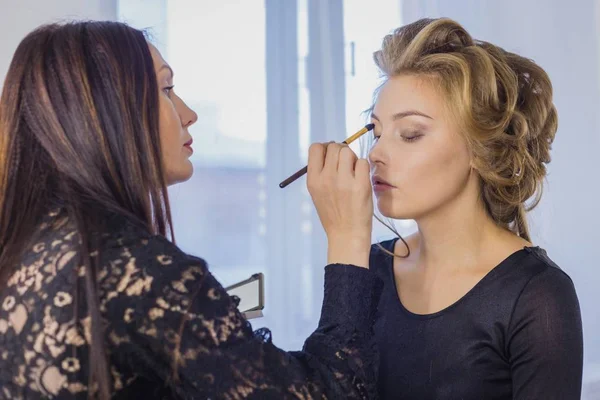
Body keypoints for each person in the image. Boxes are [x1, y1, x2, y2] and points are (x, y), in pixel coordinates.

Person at [0, 21, 379, 399]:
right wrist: (347, 236)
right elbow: (332, 392)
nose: (188, 112)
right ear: (103, 111)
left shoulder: (26, 255)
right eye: (166, 89)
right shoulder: (138, 276)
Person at [366, 17, 583, 399]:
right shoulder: (371, 268)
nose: (377, 154)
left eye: (411, 134)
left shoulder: (537, 296)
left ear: (480, 151)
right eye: (377, 132)